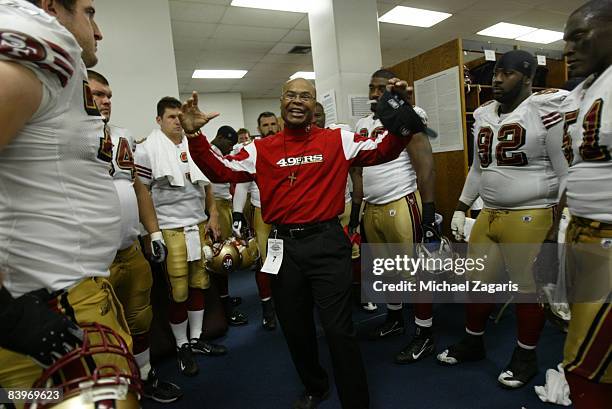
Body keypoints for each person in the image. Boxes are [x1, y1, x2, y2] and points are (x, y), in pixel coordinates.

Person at [179, 77, 426, 409]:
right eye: (291, 95)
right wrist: (195, 136)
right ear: (282, 101)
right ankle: (315, 387)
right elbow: (221, 169)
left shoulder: (337, 139)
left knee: (339, 331)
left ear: (314, 105)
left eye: (305, 96)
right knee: (295, 328)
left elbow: (383, 149)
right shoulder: (259, 148)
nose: (298, 101)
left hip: (327, 243)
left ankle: (356, 401)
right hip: (283, 246)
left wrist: (403, 114)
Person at [0, 0, 135, 400]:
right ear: (51, 7)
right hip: (48, 306)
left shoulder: (60, 68)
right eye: (89, 12)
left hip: (72, 294)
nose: (98, 31)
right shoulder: (41, 40)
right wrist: (8, 314)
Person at [439, 50, 569, 389]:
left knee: (529, 291)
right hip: (489, 213)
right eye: (496, 72)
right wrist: (461, 205)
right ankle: (473, 341)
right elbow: (478, 168)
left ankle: (525, 356)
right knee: (476, 284)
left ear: (527, 78)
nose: (497, 78)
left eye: (507, 73)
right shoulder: (483, 113)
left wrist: (555, 225)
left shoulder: (544, 111)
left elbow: (564, 170)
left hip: (531, 213)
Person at [87, 70, 183, 403]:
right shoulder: (60, 138)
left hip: (129, 248)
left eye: (109, 95)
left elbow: (138, 188)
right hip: (91, 259)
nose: (106, 101)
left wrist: (153, 232)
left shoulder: (123, 136)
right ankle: (115, 390)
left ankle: (144, 375)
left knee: (140, 318)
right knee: (101, 333)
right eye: (97, 94)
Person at [134, 97, 227, 377]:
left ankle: (196, 339)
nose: (177, 121)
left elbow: (206, 185)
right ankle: (181, 344)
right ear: (159, 120)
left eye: (179, 116)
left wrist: (212, 215)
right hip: (170, 228)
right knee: (178, 291)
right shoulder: (146, 150)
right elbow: (143, 193)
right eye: (171, 117)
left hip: (197, 224)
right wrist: (153, 234)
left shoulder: (193, 145)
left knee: (200, 283)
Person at [354, 69, 438, 365]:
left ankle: (424, 333)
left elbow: (425, 164)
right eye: (371, 88)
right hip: (373, 206)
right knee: (386, 271)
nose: (375, 94)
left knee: (415, 273)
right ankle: (394, 319)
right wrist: (357, 208)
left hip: (400, 200)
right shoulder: (363, 123)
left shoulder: (410, 114)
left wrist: (428, 213)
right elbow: (360, 171)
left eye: (381, 88)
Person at [558, 1, 612, 407]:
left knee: (585, 361)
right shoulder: (586, 89)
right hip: (581, 228)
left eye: (581, 37)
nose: (568, 49)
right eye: (566, 40)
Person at [232, 112, 280, 330]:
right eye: (265, 125)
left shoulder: (287, 145)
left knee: (290, 261)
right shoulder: (253, 151)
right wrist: (237, 213)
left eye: (273, 124)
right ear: (259, 128)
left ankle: (291, 302)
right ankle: (268, 307)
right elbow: (242, 185)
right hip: (263, 213)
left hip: (287, 213)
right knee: (266, 263)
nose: (270, 128)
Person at [210, 125, 248, 326]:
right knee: (222, 257)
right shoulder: (209, 154)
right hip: (216, 207)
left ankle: (223, 299)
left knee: (224, 256)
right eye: (229, 144)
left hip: (223, 205)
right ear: (220, 138)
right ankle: (224, 309)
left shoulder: (218, 153)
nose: (229, 149)